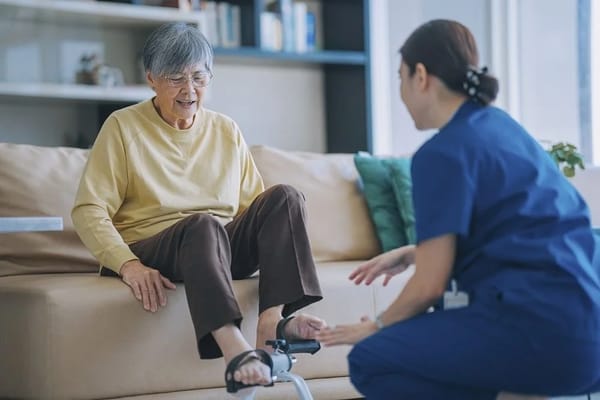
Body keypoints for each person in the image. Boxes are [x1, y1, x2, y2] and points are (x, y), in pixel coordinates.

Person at [316, 19, 600, 400]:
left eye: (400, 78)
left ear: (421, 76)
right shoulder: (504, 128)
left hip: (539, 333)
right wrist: (417, 253)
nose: (399, 94)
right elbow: (522, 231)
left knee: (372, 358)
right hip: (588, 333)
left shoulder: (441, 153)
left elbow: (428, 288)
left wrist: (377, 326)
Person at [72, 22, 325, 395]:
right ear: (152, 79)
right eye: (176, 78)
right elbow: (88, 208)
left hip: (215, 248)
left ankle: (272, 324)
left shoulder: (225, 129)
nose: (189, 90)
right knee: (203, 225)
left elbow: (253, 208)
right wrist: (128, 265)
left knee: (285, 197)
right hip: (154, 246)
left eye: (199, 77)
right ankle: (234, 350)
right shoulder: (122, 127)